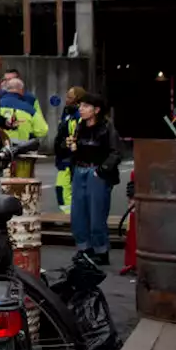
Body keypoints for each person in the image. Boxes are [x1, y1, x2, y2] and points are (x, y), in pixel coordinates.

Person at [63, 93, 121, 266]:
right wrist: (71, 148)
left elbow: (116, 152)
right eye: (80, 106)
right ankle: (84, 249)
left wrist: (102, 171)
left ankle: (101, 251)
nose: (81, 109)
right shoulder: (80, 126)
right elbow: (73, 149)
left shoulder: (107, 128)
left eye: (86, 106)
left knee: (97, 214)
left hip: (96, 172)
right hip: (80, 170)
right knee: (78, 213)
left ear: (96, 110)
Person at [53, 86, 85, 215]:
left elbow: (75, 136)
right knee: (63, 189)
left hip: (70, 159)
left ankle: (71, 216)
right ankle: (70, 215)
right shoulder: (68, 112)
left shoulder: (78, 116)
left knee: (64, 188)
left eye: (70, 97)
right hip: (63, 157)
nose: (66, 99)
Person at [0, 77, 49, 141]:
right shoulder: (29, 109)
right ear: (21, 90)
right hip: (22, 147)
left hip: (0, 147)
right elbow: (43, 130)